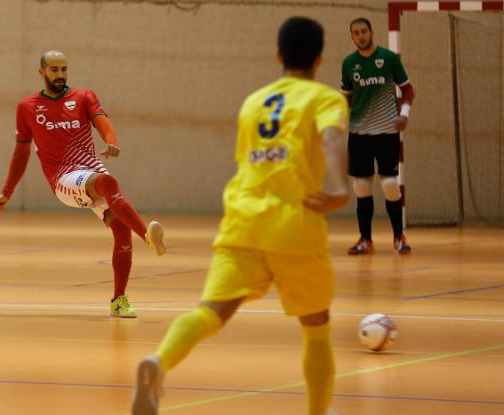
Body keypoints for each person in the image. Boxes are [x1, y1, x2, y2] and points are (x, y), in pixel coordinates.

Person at [131, 17, 349, 415]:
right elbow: (332, 139)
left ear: (279, 56)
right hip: (294, 223)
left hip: (242, 220)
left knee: (211, 311)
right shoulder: (326, 99)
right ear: (320, 57)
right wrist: (338, 186)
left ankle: (159, 362)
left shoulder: (253, 101)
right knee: (316, 328)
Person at [0, 50, 166, 318]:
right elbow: (21, 152)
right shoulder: (27, 107)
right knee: (108, 181)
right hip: (64, 180)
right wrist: (7, 192)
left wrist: (111, 141)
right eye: (54, 70)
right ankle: (148, 239)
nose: (60, 75)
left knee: (120, 228)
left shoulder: (83, 97)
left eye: (64, 69)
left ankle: (119, 301)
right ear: (42, 72)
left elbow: (103, 122)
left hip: (91, 171)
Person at [341, 17, 415, 255]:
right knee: (361, 187)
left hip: (386, 131)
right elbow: (346, 97)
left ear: (372, 32)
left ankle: (398, 237)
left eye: (364, 31)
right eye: (356, 33)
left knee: (390, 185)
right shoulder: (349, 63)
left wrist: (404, 114)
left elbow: (408, 89)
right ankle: (365, 239)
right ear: (352, 37)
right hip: (359, 133)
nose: (360, 36)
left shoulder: (390, 59)